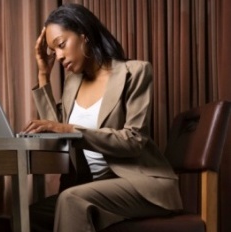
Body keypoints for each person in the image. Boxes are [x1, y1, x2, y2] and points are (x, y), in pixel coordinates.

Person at [23, 3, 182, 232]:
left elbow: (134, 141)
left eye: (61, 45)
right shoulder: (72, 84)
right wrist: (42, 74)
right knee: (28, 216)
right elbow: (54, 130)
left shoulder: (134, 72)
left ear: (83, 35)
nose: (57, 56)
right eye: (53, 51)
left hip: (140, 184)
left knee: (71, 200)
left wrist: (69, 130)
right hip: (92, 186)